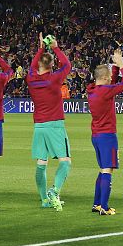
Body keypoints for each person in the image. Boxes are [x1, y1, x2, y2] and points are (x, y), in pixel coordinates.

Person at [26, 33, 72, 211]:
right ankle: (55, 190)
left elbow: (32, 66)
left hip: (39, 127)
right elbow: (67, 65)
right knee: (65, 161)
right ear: (52, 65)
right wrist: (55, 46)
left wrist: (40, 48)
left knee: (41, 163)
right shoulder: (54, 78)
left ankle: (44, 199)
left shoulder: (31, 78)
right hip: (55, 125)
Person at [87, 49, 123, 216]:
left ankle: (97, 204)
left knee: (101, 168)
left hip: (96, 136)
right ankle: (104, 207)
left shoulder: (92, 89)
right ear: (105, 79)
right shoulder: (106, 92)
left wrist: (114, 64)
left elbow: (110, 80)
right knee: (107, 170)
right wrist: (122, 65)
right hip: (107, 136)